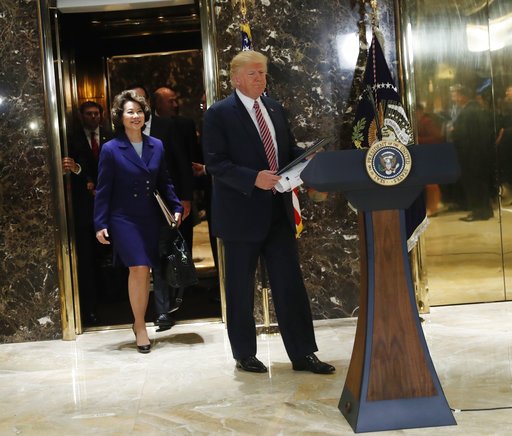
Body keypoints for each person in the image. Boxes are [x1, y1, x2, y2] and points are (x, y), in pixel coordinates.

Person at [202, 50, 335, 374]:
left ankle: (303, 354)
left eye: (262, 73)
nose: (260, 78)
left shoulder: (274, 108)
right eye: (253, 73)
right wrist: (253, 178)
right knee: (240, 289)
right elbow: (215, 163)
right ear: (235, 79)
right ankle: (244, 354)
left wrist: (305, 156)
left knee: (290, 285)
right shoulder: (219, 114)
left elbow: (284, 151)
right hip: (240, 215)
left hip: (278, 211)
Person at [94, 90, 183, 353]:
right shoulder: (111, 149)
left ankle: (139, 321)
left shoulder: (157, 145)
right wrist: (100, 223)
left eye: (139, 111)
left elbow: (164, 181)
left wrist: (176, 206)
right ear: (120, 117)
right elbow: (104, 188)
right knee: (139, 268)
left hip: (150, 217)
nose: (136, 116)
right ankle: (140, 325)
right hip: (123, 218)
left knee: (146, 270)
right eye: (130, 112)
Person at [131, 85, 193, 331]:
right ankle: (139, 311)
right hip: (133, 205)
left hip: (163, 202)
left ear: (149, 102)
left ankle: (163, 310)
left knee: (161, 254)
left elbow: (181, 162)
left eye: (140, 98)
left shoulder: (166, 126)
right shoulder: (120, 131)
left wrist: (185, 198)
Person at [62, 101, 111, 325]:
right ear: (81, 116)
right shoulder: (72, 139)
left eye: (96, 114)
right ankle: (90, 306)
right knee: (87, 258)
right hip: (85, 207)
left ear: (101, 115)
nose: (93, 117)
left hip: (111, 204)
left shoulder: (111, 137)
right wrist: (86, 178)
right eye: (88, 114)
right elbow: (76, 169)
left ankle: (116, 295)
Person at [450, 84, 494, 221]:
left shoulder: (468, 112)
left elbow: (465, 134)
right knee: (481, 183)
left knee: (473, 184)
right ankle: (485, 210)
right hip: (480, 153)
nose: (454, 98)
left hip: (470, 155)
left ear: (463, 96)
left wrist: (453, 132)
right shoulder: (477, 109)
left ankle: (478, 211)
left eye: (455, 95)